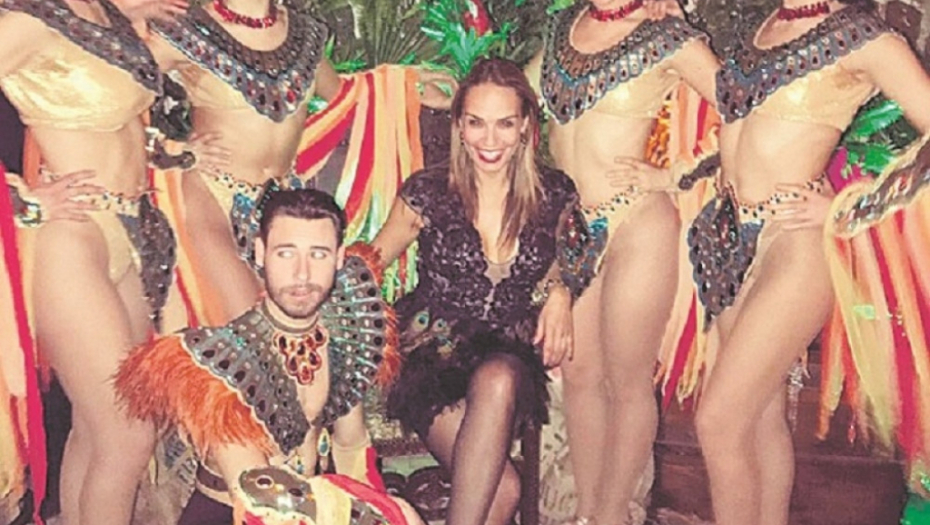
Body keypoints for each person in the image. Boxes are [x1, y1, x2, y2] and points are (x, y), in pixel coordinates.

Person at [662, 1, 930, 524]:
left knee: (719, 421)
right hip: (728, 241)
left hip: (794, 247)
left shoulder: (867, 39)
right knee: (759, 421)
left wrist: (852, 206)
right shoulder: (763, 25)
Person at [0, 0, 211, 522]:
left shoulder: (107, 13)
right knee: (128, 434)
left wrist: (180, 151)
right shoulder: (27, 22)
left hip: (133, 232)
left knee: (99, 430)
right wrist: (20, 198)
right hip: (72, 239)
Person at [115, 187, 419, 525]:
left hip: (317, 504)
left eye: (318, 254)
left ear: (338, 258)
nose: (302, 274)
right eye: (285, 253)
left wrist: (380, 507)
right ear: (260, 253)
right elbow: (258, 497)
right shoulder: (222, 364)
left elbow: (351, 446)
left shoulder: (344, 328)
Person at [525, 1, 719, 523]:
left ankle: (612, 515)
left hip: (638, 223)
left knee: (627, 383)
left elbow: (744, 106)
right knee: (579, 374)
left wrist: (673, 175)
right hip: (576, 225)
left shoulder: (665, 34)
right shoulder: (566, 27)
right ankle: (588, 513)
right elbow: (515, 94)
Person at [372, 57, 586, 525]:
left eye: (505, 123)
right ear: (459, 126)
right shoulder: (428, 192)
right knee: (503, 492)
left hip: (507, 355)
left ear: (526, 125)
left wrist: (560, 293)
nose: (490, 140)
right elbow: (371, 261)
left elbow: (570, 258)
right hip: (431, 352)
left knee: (499, 378)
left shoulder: (554, 194)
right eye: (476, 123)